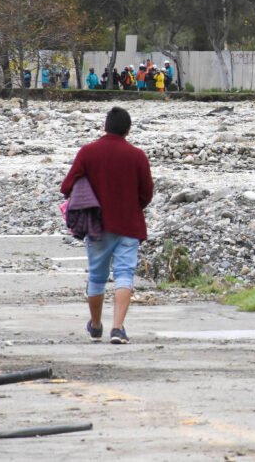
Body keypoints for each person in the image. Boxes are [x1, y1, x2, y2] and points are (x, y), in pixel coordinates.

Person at [60, 107, 154, 345]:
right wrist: (132, 206)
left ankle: (95, 325)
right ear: (127, 129)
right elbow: (147, 194)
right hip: (129, 224)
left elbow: (66, 186)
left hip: (97, 225)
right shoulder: (137, 155)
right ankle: (118, 328)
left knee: (97, 276)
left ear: (106, 126)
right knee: (125, 274)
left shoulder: (88, 152)